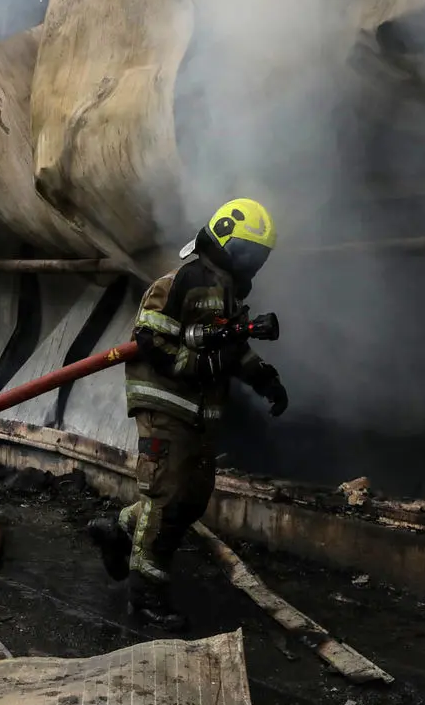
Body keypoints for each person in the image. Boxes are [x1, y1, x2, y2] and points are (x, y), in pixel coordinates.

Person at [87, 198, 288, 631]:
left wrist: (265, 379)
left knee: (191, 498)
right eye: (251, 253)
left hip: (197, 414)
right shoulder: (181, 282)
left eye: (261, 256)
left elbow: (234, 351)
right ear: (229, 243)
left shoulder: (227, 293)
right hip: (166, 406)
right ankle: (144, 598)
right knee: (167, 499)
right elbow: (150, 340)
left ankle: (120, 530)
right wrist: (196, 365)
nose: (255, 264)